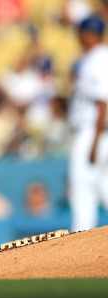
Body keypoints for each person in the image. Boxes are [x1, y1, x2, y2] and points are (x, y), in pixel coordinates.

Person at [68, 15, 108, 232]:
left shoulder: (97, 59)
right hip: (99, 132)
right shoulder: (99, 57)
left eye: (82, 33)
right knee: (103, 185)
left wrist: (95, 140)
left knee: (82, 188)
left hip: (92, 132)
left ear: (89, 34)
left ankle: (80, 237)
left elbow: (103, 101)